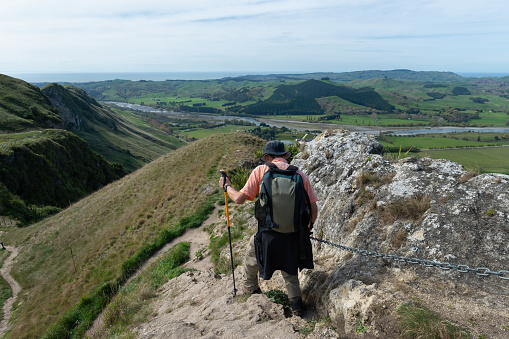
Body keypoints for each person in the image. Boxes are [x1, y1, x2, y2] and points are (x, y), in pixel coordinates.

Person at [219, 140, 318, 316]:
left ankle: (250, 288)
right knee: (290, 265)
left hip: (268, 234)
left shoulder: (261, 171)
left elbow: (240, 199)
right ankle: (296, 304)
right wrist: (308, 226)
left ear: (267, 157)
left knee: (253, 250)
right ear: (285, 156)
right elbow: (313, 207)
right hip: (294, 234)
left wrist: (226, 187)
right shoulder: (300, 175)